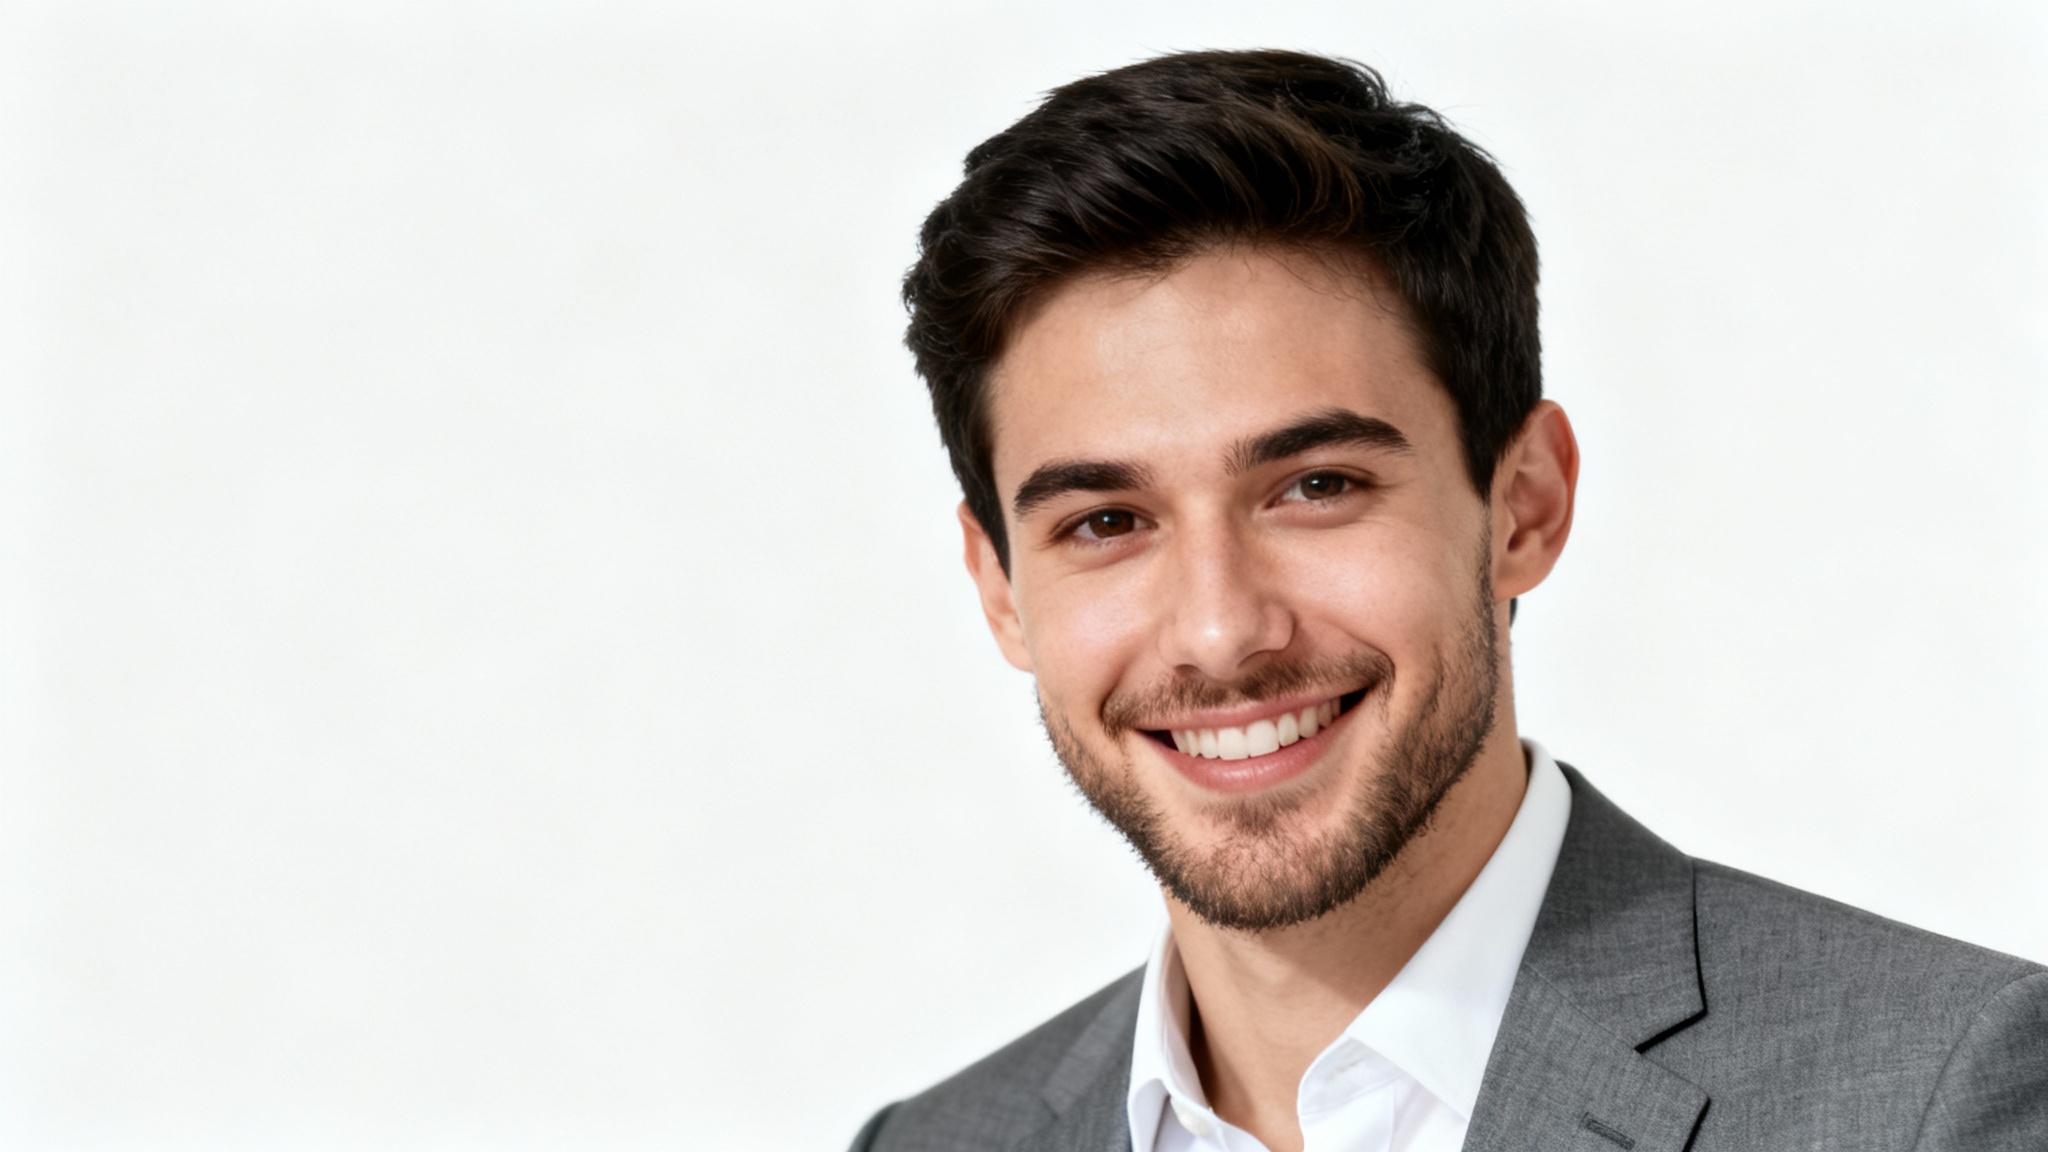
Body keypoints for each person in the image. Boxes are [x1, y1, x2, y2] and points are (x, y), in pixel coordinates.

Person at [848, 49, 2048, 1152]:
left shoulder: (1936, 1097)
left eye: (1314, 487)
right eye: (1105, 523)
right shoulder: (935, 1143)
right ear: (1000, 587)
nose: (1219, 630)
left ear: (1521, 506)